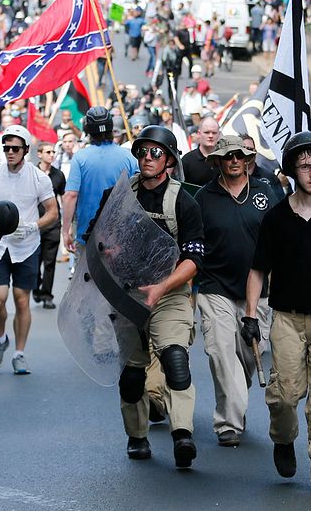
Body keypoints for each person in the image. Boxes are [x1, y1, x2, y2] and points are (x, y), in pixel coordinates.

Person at [245, 131, 311, 495]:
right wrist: (251, 314)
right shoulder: (275, 219)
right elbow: (257, 269)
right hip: (285, 317)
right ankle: (283, 439)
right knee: (286, 394)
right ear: (292, 171)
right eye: (305, 167)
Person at [113, 125, 205, 468]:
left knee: (176, 361)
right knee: (133, 374)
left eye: (155, 153)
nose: (147, 158)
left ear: (168, 160)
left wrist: (162, 287)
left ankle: (182, 434)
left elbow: (194, 258)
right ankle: (137, 436)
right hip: (128, 294)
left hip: (170, 292)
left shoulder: (184, 202)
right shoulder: (120, 194)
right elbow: (98, 239)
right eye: (142, 152)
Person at [194, 135, 280, 447]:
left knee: (246, 355)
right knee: (220, 352)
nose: (233, 161)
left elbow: (278, 240)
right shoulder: (204, 198)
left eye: (238, 156)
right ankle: (228, 423)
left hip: (257, 293)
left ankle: (234, 405)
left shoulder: (265, 192)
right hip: (215, 287)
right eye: (227, 157)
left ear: (247, 161)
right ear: (217, 161)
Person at [0, 125, 58, 375]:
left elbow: (53, 212)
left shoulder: (38, 177)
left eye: (15, 148)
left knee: (22, 300)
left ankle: (19, 353)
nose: (10, 152)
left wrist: (33, 227)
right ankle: (1, 339)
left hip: (26, 246)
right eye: (6, 148)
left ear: (25, 150)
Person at [62, 107, 138, 254]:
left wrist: (66, 231)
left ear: (88, 130)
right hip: (120, 236)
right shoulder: (129, 157)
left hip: (88, 235)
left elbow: (70, 195)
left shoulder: (80, 157)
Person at [32, 142, 65, 309]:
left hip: (53, 224)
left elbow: (64, 198)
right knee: (35, 261)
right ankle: (36, 287)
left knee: (50, 261)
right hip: (35, 224)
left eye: (53, 152)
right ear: (39, 154)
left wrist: (67, 224)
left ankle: (47, 295)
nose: (52, 154)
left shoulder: (58, 175)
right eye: (48, 152)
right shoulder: (31, 174)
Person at [181, 117, 220, 186]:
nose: (210, 136)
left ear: (218, 134)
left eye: (214, 133)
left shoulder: (225, 159)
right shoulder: (187, 160)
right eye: (207, 132)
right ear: (199, 133)